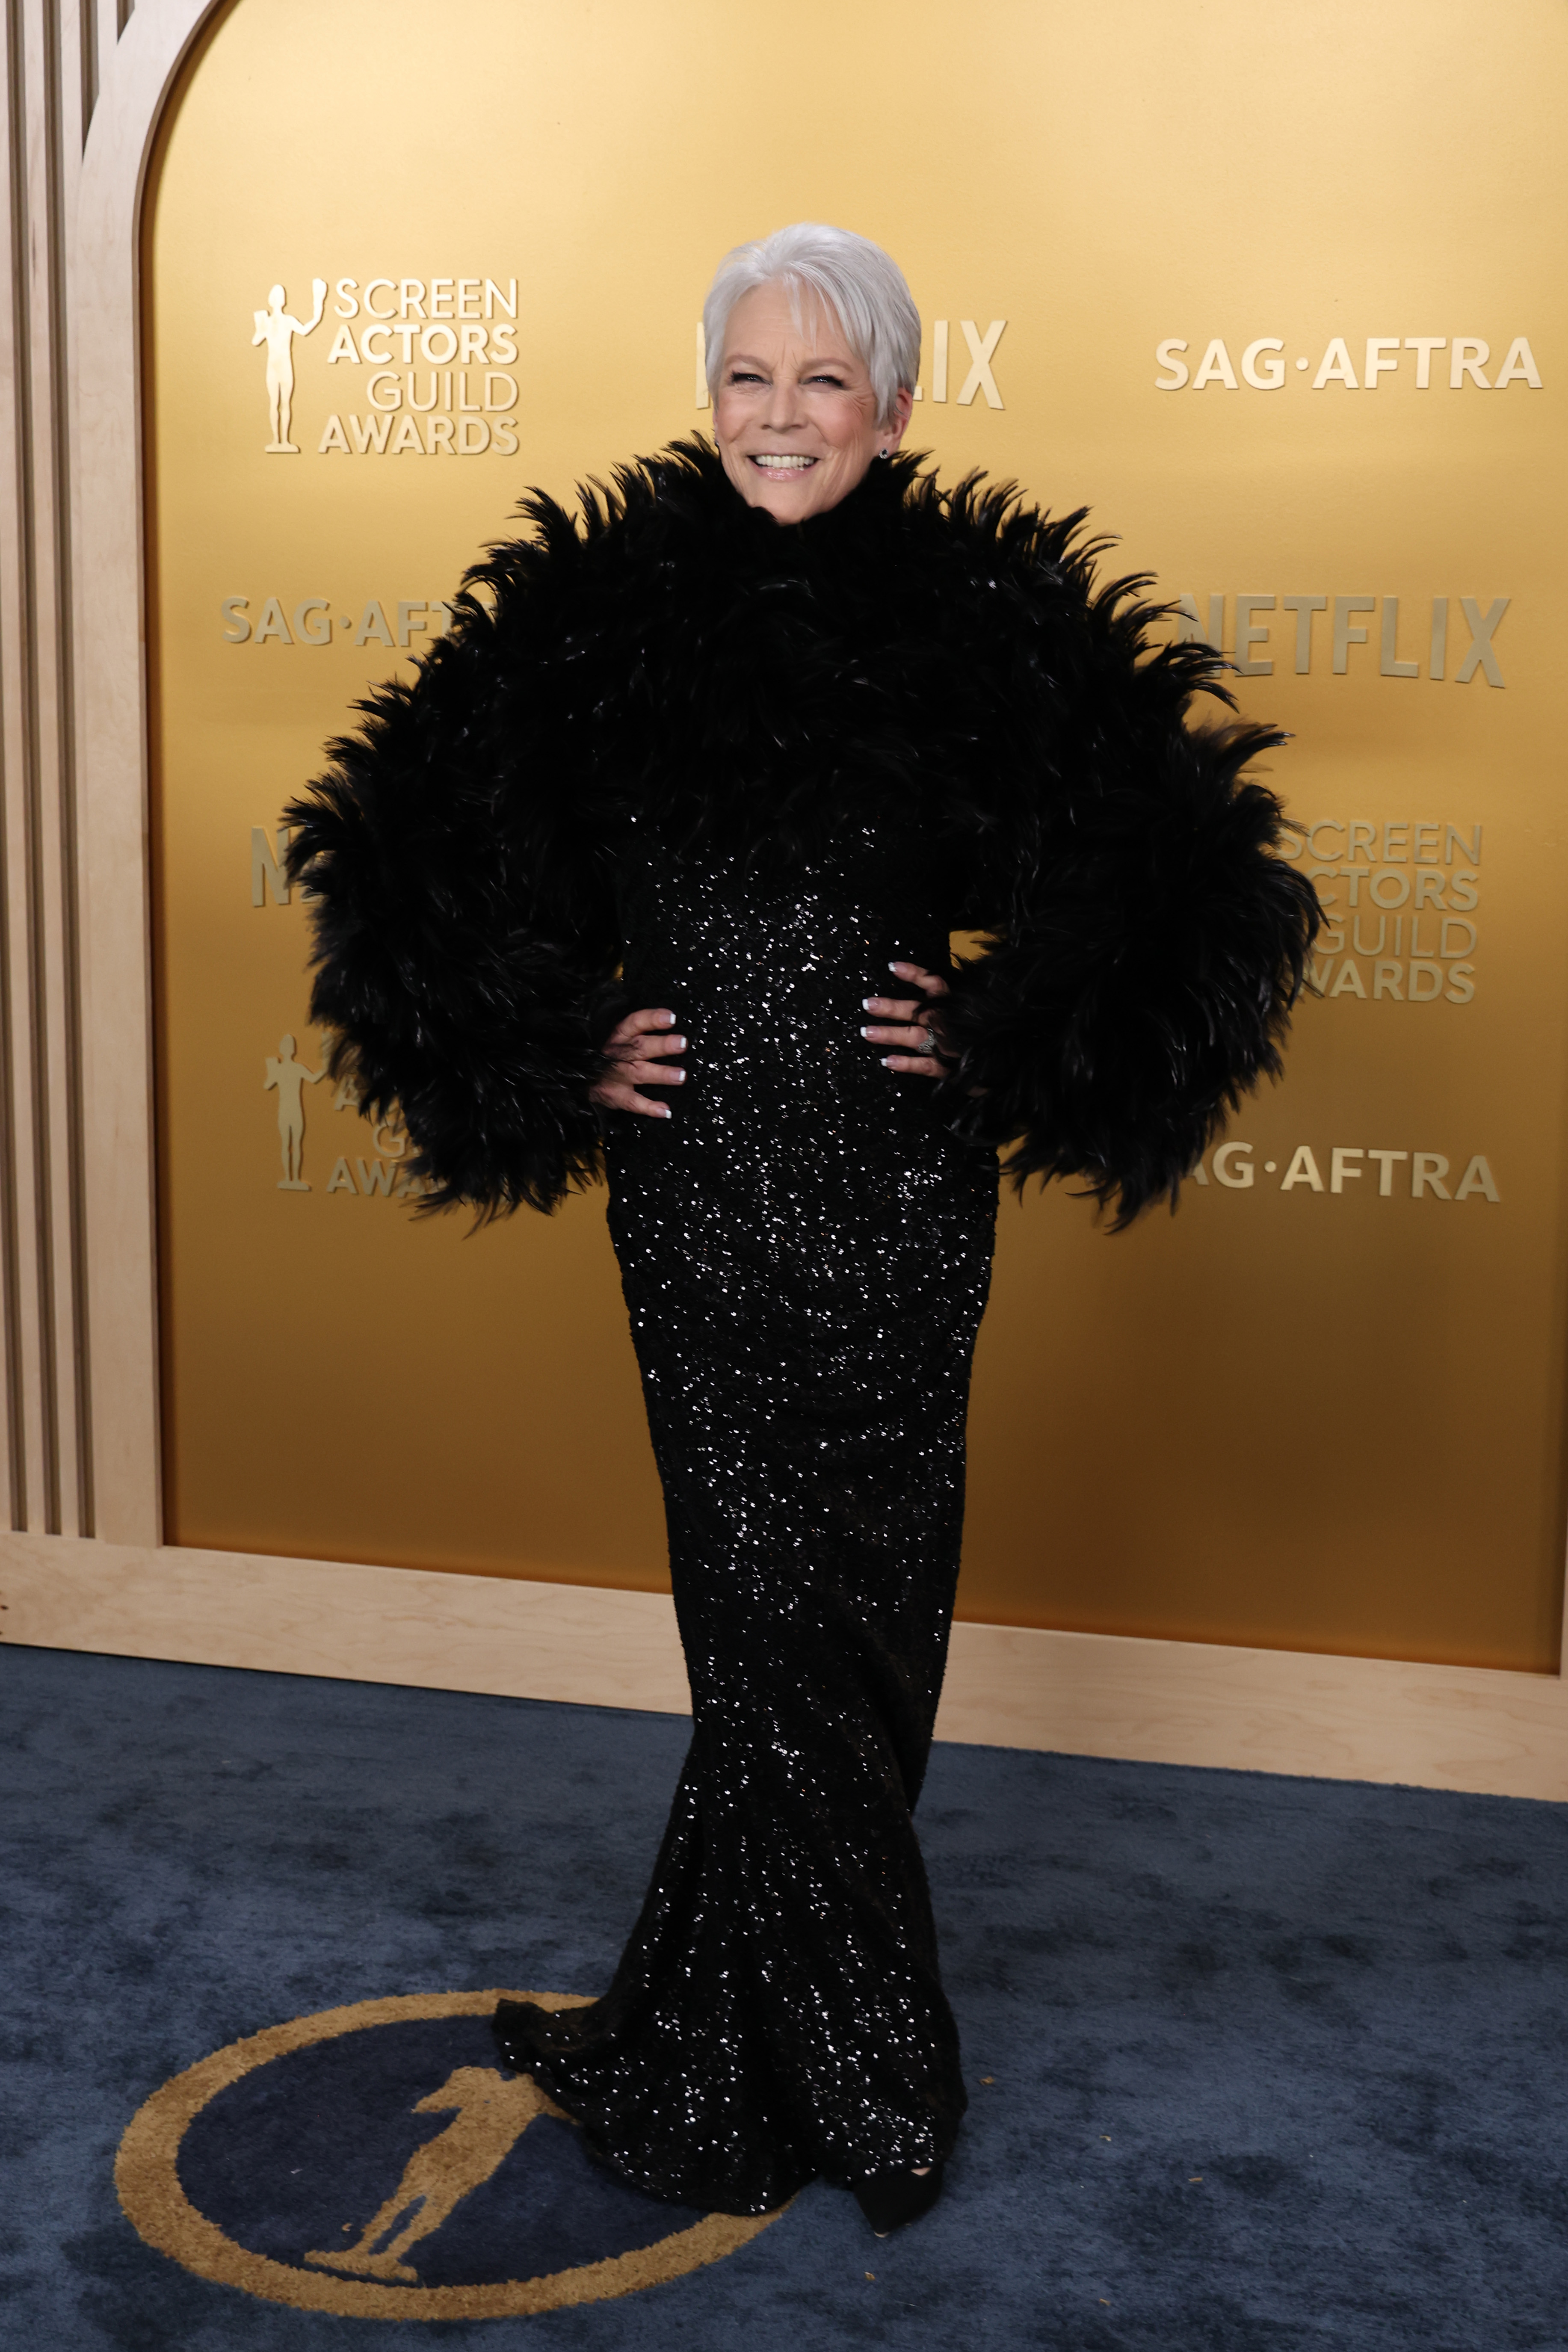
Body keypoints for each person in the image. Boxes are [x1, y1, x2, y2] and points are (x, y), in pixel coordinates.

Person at [284, 222, 1317, 2239]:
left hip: (893, 1196)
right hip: (695, 1205)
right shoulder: (593, 618)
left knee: (859, 1626)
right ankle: (859, 2061)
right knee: (757, 1626)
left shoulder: (986, 618)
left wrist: (1010, 1032)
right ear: (708, 397)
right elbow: (396, 844)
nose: (780, 417)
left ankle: (741, 2024)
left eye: (821, 382)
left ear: (895, 406)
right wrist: (545, 1048)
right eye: (749, 378)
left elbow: (1187, 864)